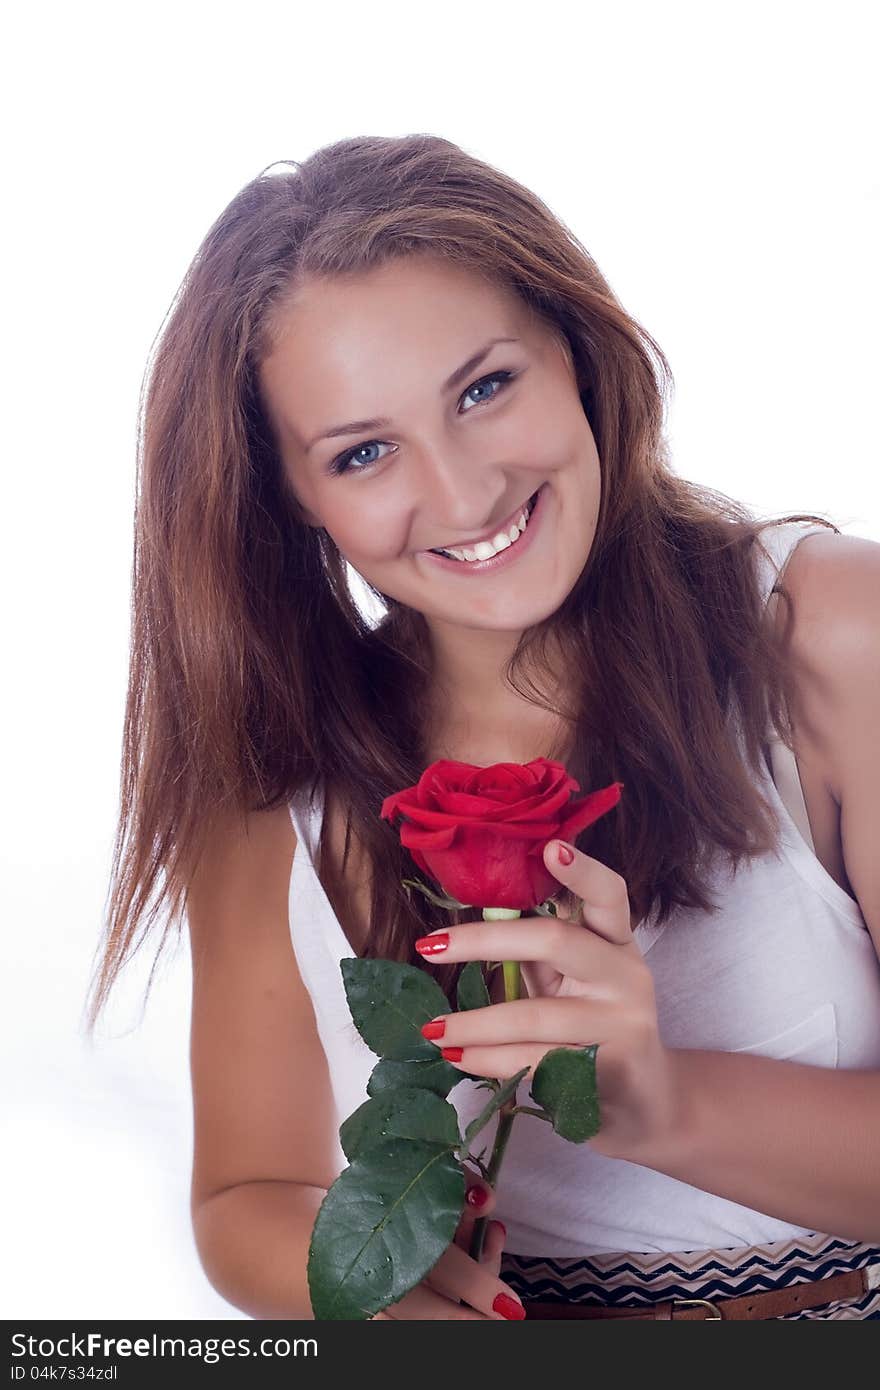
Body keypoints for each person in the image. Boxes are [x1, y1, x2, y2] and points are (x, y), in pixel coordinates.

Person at [85, 133, 880, 1320]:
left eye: (483, 387)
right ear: (289, 499)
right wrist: (385, 1302)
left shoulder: (828, 628)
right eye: (361, 453)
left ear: (575, 347)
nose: (463, 495)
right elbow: (249, 1190)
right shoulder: (270, 787)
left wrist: (653, 1099)